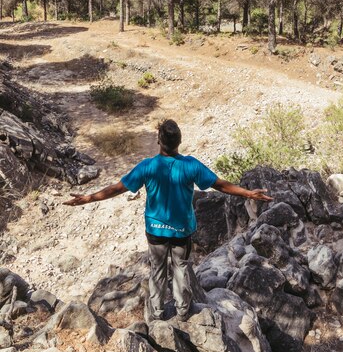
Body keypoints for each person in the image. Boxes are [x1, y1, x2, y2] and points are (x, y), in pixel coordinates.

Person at [64, 119, 273, 321]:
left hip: (155, 230)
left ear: (158, 140)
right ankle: (183, 311)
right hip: (181, 231)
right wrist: (248, 193)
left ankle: (156, 312)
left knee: (157, 269)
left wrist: (88, 198)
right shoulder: (191, 166)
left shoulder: (147, 167)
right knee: (181, 267)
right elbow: (220, 185)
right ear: (179, 141)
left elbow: (118, 188)